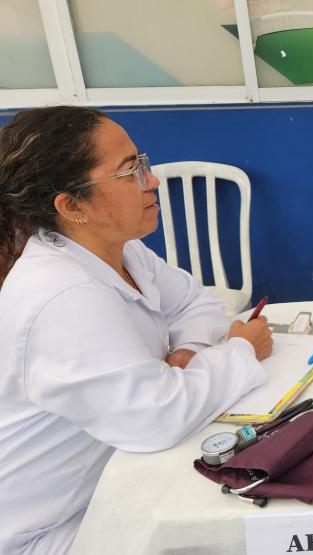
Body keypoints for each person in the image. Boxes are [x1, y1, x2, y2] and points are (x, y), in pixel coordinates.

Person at [0, 106, 273, 555]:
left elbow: (194, 302)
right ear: (71, 206)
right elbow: (157, 417)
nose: (152, 182)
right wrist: (240, 350)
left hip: (112, 478)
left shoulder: (120, 252)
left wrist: (187, 353)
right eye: (129, 173)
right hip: (51, 531)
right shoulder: (62, 295)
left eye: (141, 163)